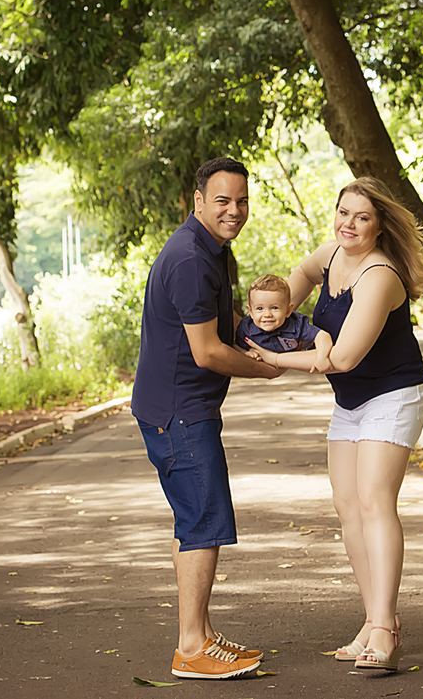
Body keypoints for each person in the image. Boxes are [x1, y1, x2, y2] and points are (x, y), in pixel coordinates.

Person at [245, 176, 423, 672]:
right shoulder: (329, 256)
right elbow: (287, 292)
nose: (348, 224)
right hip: (350, 402)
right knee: (347, 507)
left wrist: (275, 359)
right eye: (343, 212)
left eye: (362, 217)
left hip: (393, 394)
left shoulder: (379, 275)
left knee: (373, 501)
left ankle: (386, 629)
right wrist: (273, 322)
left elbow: (344, 357)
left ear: (379, 225)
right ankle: (373, 620)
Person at [131, 156, 283, 680]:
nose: (234, 210)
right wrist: (266, 371)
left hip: (177, 409)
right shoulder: (191, 259)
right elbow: (208, 352)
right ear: (198, 201)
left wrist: (272, 338)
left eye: (241, 201)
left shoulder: (211, 249)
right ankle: (191, 648)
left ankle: (202, 634)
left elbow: (224, 323)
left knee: (193, 521)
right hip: (179, 414)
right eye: (222, 200)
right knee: (203, 523)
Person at [235, 273, 333, 357]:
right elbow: (235, 345)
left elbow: (322, 335)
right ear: (251, 312)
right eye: (260, 308)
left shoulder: (297, 324)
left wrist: (322, 358)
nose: (267, 314)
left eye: (275, 308)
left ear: (288, 311)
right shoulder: (246, 328)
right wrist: (246, 352)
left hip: (293, 362)